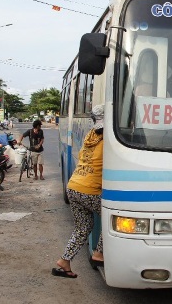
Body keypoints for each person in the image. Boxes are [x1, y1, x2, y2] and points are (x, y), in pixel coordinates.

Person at [52, 105, 105, 279]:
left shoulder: (90, 136)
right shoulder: (109, 140)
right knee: (114, 217)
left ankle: (64, 261)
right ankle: (99, 253)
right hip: (89, 190)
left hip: (74, 186)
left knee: (83, 228)